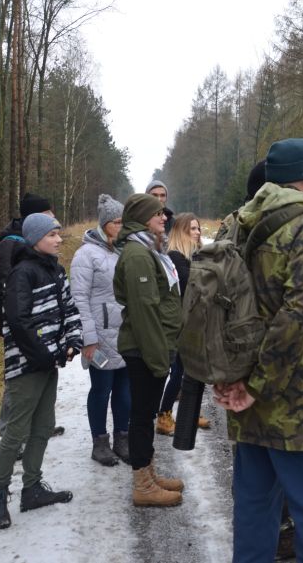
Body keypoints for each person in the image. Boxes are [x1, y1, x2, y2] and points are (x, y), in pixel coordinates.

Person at [213, 138, 303, 563]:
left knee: (254, 507)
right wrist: (259, 386)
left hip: (243, 384)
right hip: (294, 393)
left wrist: (235, 377)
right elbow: (298, 315)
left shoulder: (235, 223)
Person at [0, 214, 82, 529]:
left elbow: (69, 308)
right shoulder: (22, 273)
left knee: (43, 426)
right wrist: (44, 355)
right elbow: (18, 321)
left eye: (58, 234)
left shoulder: (55, 269)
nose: (59, 239)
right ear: (35, 238)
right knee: (16, 432)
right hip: (25, 366)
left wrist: (73, 341)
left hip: (49, 362)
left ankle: (32, 488)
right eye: (52, 235)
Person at [113, 192, 185, 507]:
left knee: (145, 414)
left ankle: (148, 472)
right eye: (158, 213)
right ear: (143, 218)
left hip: (153, 347)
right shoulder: (138, 255)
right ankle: (142, 486)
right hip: (145, 350)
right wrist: (158, 359)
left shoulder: (148, 250)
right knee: (142, 416)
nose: (164, 218)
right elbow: (144, 313)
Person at [0, 193, 66, 438]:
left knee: (39, 380)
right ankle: (9, 432)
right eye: (47, 213)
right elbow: (11, 289)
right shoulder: (10, 244)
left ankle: (41, 424)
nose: (52, 217)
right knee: (17, 380)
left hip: (38, 324)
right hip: (20, 325)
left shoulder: (34, 239)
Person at [70, 194, 131, 467]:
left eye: (123, 221)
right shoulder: (85, 255)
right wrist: (89, 338)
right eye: (116, 222)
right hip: (100, 336)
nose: (121, 226)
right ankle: (100, 443)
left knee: (124, 390)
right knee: (101, 390)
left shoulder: (124, 250)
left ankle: (122, 439)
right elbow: (79, 299)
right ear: (104, 224)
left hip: (126, 334)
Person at [157, 212, 210, 434]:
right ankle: (164, 415)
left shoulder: (193, 255)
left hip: (195, 322)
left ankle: (190, 413)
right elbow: (195, 284)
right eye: (192, 229)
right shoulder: (175, 257)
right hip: (181, 324)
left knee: (194, 372)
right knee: (179, 372)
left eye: (198, 228)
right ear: (181, 232)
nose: (197, 233)